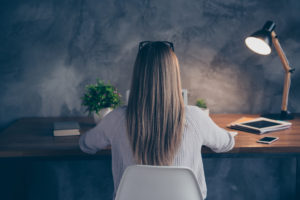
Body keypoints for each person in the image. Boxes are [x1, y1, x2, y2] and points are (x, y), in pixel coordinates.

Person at [79, 41, 235, 199]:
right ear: (174, 75)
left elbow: (86, 144)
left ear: (138, 75)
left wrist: (112, 136)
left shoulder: (116, 119)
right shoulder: (195, 117)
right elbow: (227, 143)